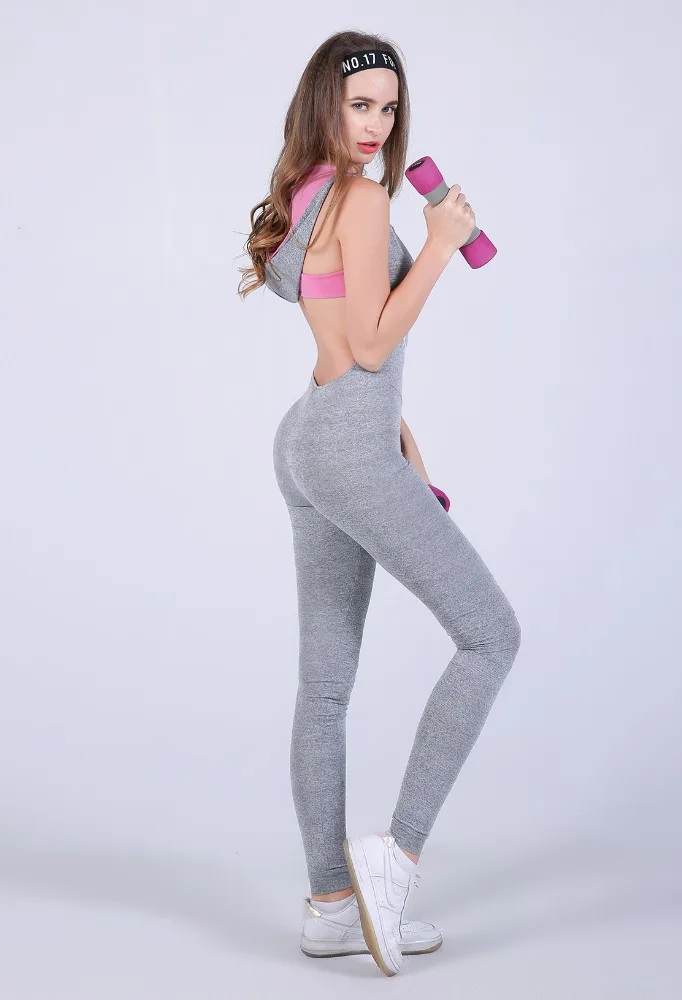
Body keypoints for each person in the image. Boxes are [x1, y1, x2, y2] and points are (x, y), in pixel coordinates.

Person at [237, 30, 521, 977]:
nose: (378, 124)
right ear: (326, 102)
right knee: (491, 636)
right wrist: (438, 246)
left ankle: (330, 907)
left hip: (314, 437)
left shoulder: (306, 193)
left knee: (324, 687)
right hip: (347, 441)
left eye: (390, 108)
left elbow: (339, 344)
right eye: (362, 105)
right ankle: (392, 863)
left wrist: (401, 437)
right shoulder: (360, 199)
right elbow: (368, 344)